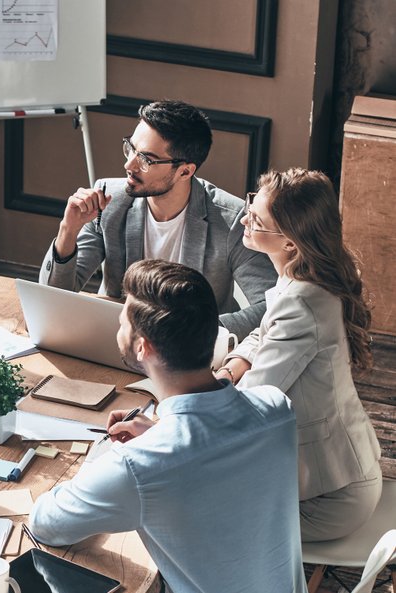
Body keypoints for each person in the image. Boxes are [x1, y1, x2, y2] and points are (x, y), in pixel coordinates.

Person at [29, 259, 306, 593]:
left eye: (122, 322)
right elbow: (212, 461)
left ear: (143, 347)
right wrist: (160, 433)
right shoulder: (277, 409)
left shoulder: (136, 467)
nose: (119, 327)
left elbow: (46, 524)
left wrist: (112, 458)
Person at [215, 168, 382, 542]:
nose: (244, 218)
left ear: (289, 241)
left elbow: (250, 404)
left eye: (256, 219)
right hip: (342, 470)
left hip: (327, 498)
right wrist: (233, 366)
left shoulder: (303, 302)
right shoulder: (302, 274)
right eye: (249, 205)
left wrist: (187, 408)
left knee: (200, 510)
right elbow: (266, 330)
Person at [39, 100, 275, 340]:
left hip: (191, 354)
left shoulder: (233, 220)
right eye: (130, 148)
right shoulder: (108, 201)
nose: (128, 164)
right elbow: (54, 297)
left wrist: (198, 333)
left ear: (185, 171)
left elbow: (271, 306)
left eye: (146, 160)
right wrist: (68, 230)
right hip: (119, 342)